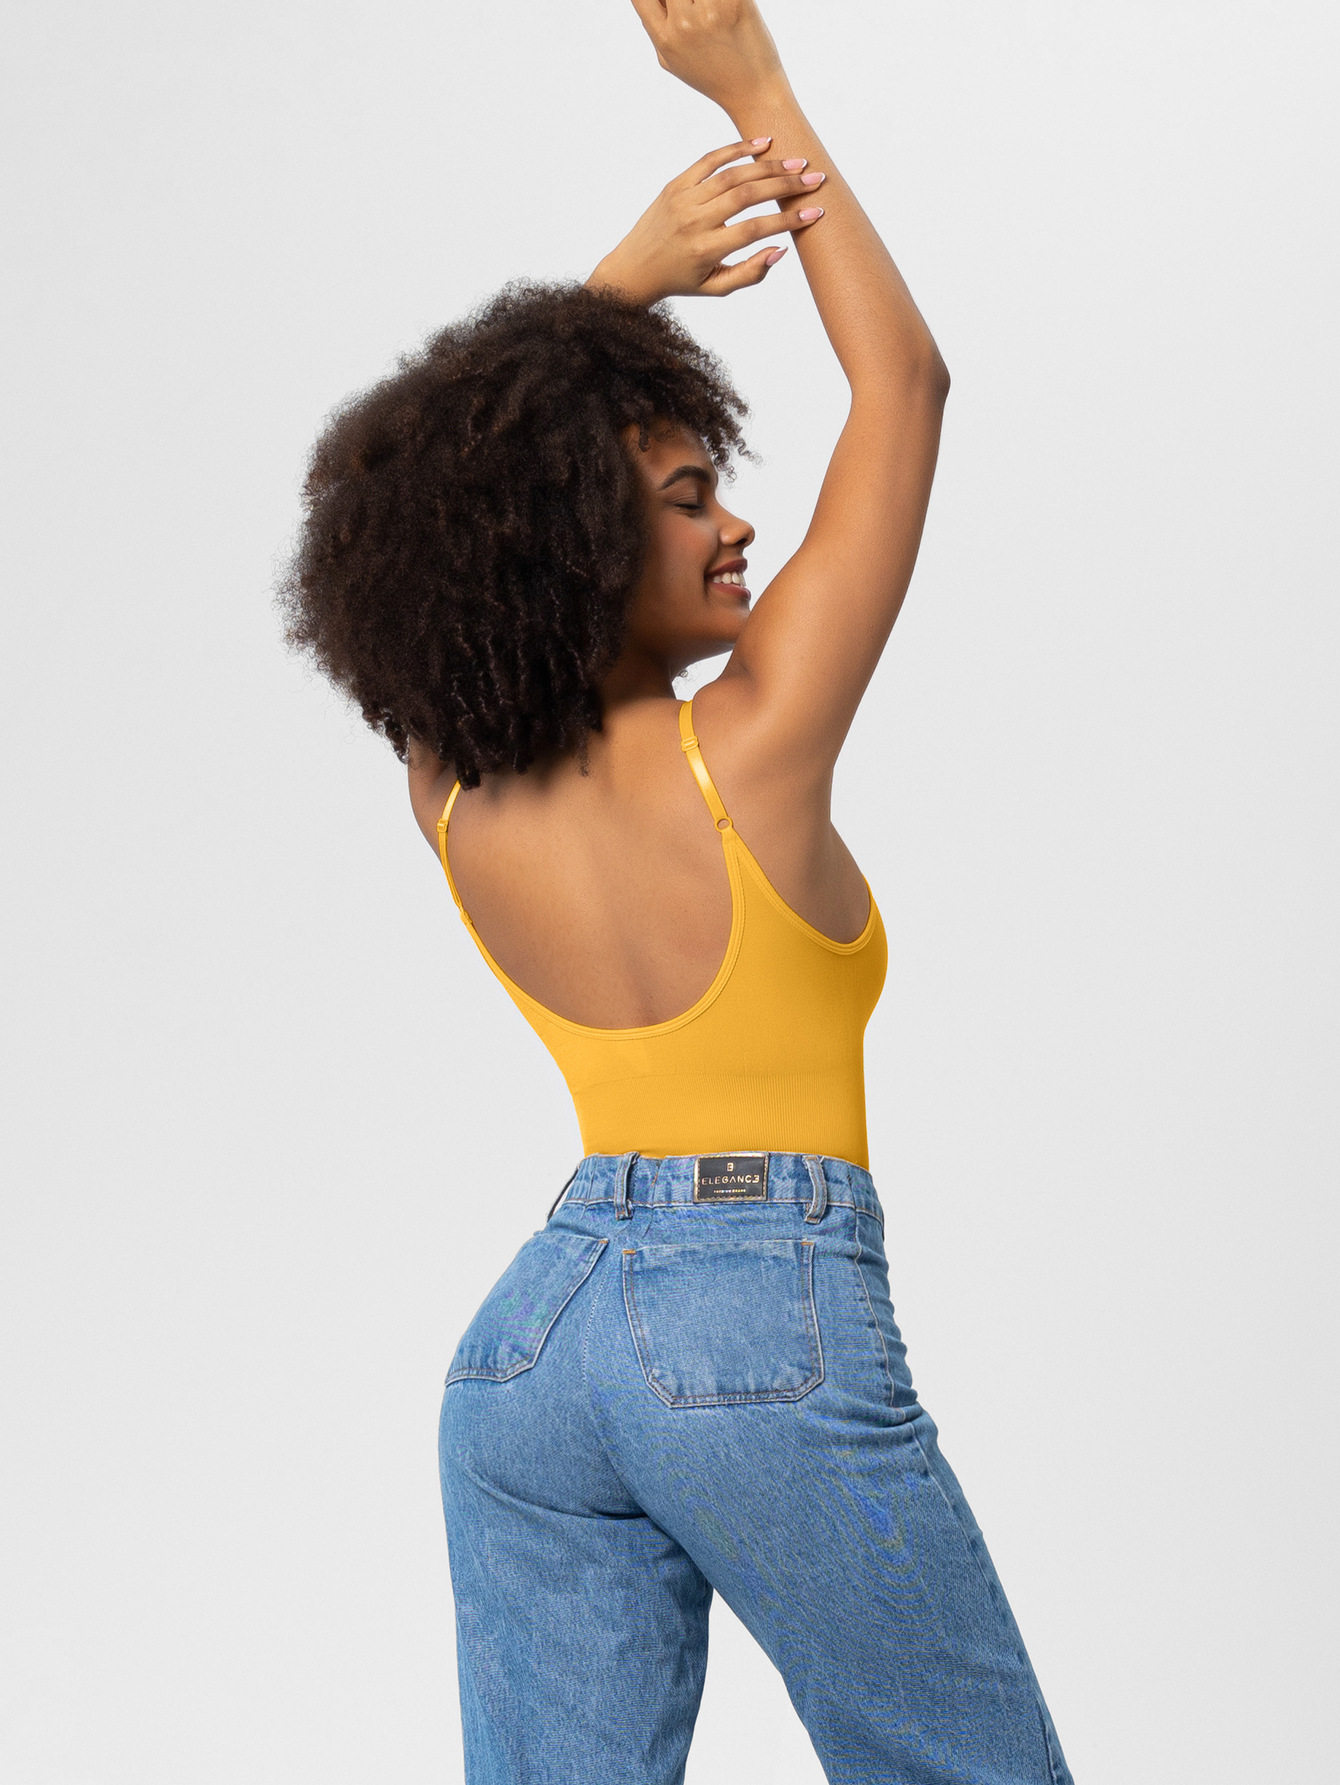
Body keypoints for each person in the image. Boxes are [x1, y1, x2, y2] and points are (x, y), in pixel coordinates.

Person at [279, 4, 1074, 1780]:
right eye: (690, 494)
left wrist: (620, 289)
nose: (738, 527)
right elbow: (906, 387)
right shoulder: (750, 750)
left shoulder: (451, 791)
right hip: (752, 1324)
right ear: (574, 535)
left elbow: (446, 510)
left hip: (532, 1350)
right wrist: (754, 91)